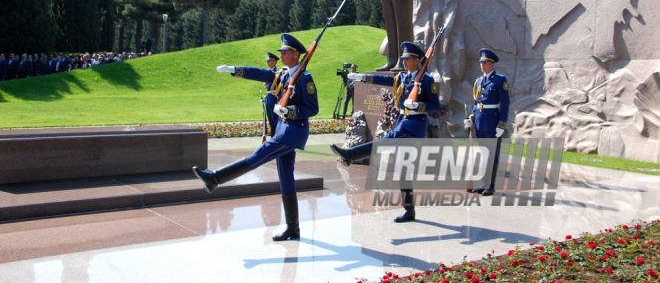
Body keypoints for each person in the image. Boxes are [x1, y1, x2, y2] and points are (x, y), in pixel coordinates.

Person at [193, 33, 319, 241]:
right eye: (281, 52)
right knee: (285, 177)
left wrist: (290, 111)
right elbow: (260, 73)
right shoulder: (283, 74)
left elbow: (312, 108)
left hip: (292, 133)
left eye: (285, 52)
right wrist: (235, 70)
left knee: (258, 156)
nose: (282, 55)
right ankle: (293, 227)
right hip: (282, 130)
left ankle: (215, 178)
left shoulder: (305, 78)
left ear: (296, 54)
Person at [331, 42, 440, 222]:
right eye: (403, 59)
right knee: (403, 168)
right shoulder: (403, 78)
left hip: (414, 126)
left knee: (386, 140)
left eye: (407, 59)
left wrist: (419, 106)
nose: (403, 62)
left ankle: (351, 155)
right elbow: (385, 79)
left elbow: (434, 105)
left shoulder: (427, 80)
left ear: (417, 61)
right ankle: (409, 211)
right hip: (402, 122)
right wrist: (362, 77)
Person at [463, 49, 510, 196]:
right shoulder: (479, 81)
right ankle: (484, 183)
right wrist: (471, 117)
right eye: (481, 63)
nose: (482, 65)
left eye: (485, 63)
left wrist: (502, 123)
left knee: (492, 154)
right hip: (480, 121)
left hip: (492, 121)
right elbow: (477, 102)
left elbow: (505, 103)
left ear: (492, 64)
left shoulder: (499, 80)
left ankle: (491, 185)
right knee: (484, 153)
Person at [262, 52, 282, 137]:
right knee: (271, 122)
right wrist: (265, 98)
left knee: (275, 121)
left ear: (274, 62)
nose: (267, 62)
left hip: (274, 100)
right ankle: (272, 138)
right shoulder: (269, 72)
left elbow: (278, 89)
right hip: (269, 101)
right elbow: (268, 89)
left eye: (269, 60)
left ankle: (276, 138)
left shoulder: (277, 73)